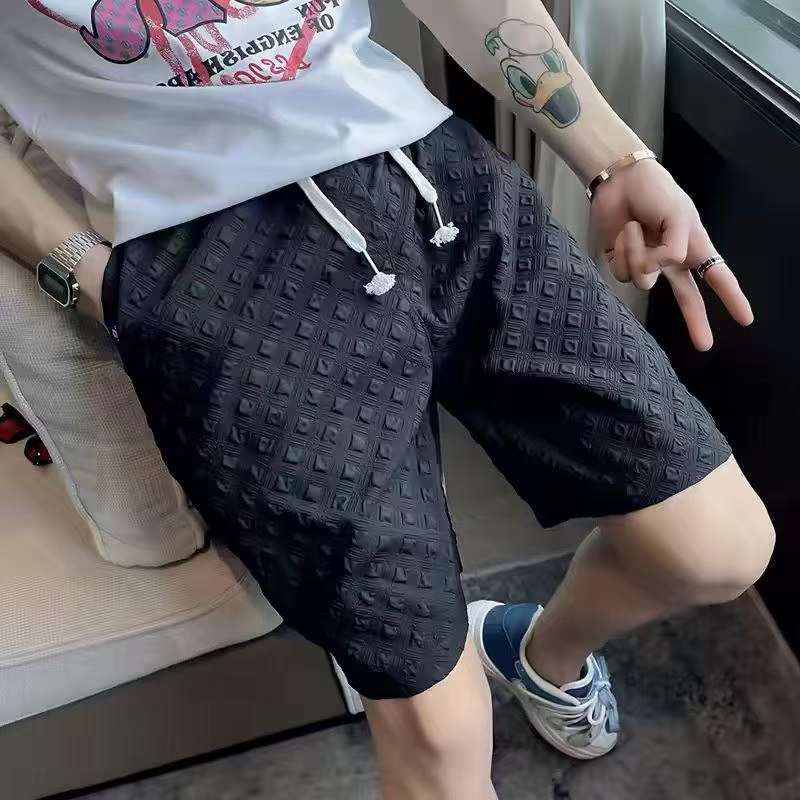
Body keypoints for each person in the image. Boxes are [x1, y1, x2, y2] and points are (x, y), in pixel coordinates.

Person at [0, 1, 775, 797]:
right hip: (211, 261)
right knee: (437, 733)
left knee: (719, 547)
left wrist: (618, 160)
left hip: (435, 179)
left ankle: (540, 657)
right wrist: (94, 278)